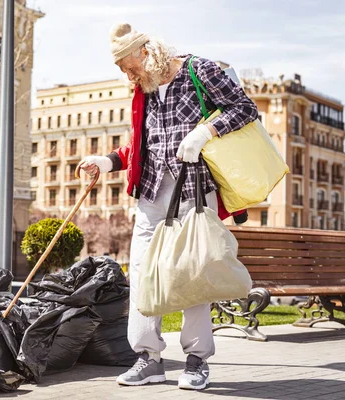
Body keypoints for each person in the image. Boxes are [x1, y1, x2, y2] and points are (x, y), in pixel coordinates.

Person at [80, 23, 258, 391]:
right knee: (143, 276)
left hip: (194, 192)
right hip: (151, 195)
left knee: (193, 273)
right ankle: (148, 359)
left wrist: (206, 132)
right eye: (122, 70)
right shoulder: (143, 89)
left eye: (129, 66)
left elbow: (245, 108)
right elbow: (142, 144)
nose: (127, 75)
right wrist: (108, 160)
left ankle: (196, 360)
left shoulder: (200, 70)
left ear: (147, 53)